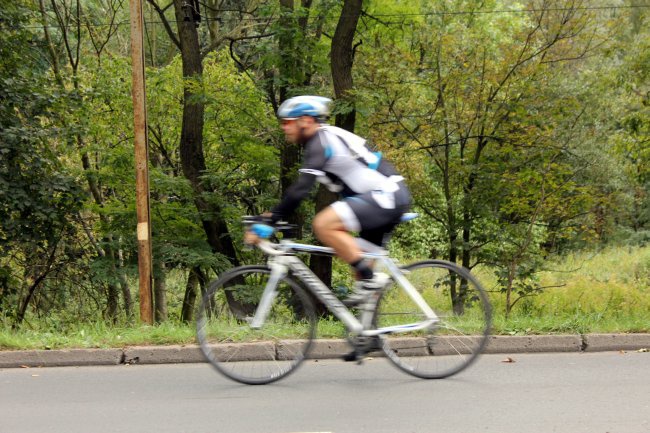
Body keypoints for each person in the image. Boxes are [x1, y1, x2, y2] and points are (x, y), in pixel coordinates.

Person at [256, 95, 411, 305]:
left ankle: (370, 277)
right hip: (386, 197)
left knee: (323, 224)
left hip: (386, 196)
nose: (284, 128)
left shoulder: (321, 142)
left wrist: (273, 218)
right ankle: (370, 336)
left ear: (306, 120)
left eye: (287, 122)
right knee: (362, 278)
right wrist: (272, 216)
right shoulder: (321, 140)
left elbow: (302, 188)